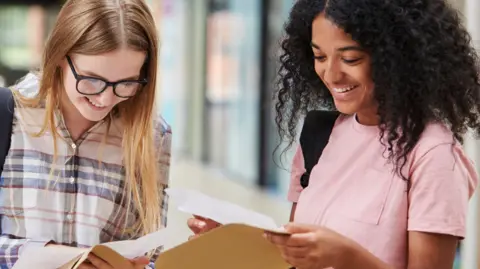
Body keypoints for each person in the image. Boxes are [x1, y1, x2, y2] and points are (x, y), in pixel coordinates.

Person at [187, 0, 480, 268]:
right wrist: (230, 241)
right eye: (319, 56)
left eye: (350, 59)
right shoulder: (319, 134)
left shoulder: (433, 154)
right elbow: (292, 258)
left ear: (398, 56)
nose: (331, 74)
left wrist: (347, 257)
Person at [0, 0, 171, 268]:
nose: (105, 98)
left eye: (126, 83)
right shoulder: (7, 116)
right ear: (59, 56)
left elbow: (152, 253)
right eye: (91, 79)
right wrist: (51, 255)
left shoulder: (153, 137)